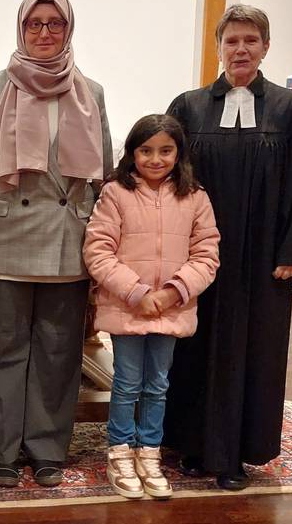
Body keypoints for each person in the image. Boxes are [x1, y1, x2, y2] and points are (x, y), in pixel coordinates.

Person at [165, 4, 292, 489]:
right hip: (200, 257)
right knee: (193, 348)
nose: (241, 49)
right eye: (232, 40)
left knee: (250, 352)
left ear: (265, 47)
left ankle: (237, 453)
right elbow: (166, 175)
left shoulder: (290, 109)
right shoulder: (189, 107)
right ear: (218, 47)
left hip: (262, 261)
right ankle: (192, 447)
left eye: (251, 40)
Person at [0, 0, 112, 489]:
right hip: (2, 239)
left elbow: (104, 177)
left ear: (69, 30)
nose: (45, 33)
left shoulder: (91, 91)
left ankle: (47, 447)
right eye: (35, 24)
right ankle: (1, 451)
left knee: (57, 351)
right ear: (21, 29)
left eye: (55, 24)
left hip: (67, 242)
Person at [83, 115, 220, 500]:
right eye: (146, 150)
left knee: (157, 384)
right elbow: (98, 250)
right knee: (126, 383)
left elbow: (207, 254)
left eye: (165, 150)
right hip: (129, 308)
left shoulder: (195, 197)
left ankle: (149, 452)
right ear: (132, 153)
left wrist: (173, 292)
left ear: (179, 153)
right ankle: (120, 452)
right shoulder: (115, 193)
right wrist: (137, 292)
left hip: (173, 308)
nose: (155, 159)